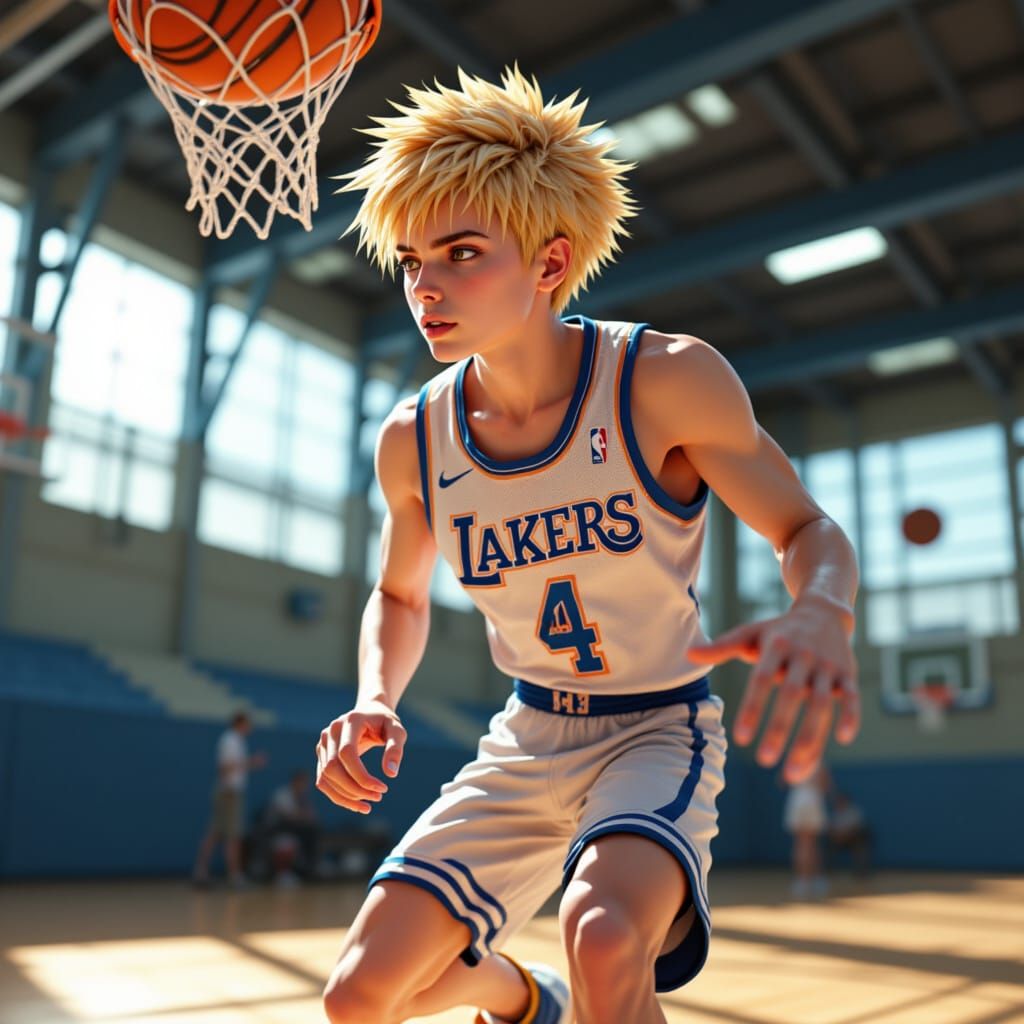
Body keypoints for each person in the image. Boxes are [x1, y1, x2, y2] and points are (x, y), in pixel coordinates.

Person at [315, 67, 860, 1024]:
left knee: (604, 936)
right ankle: (525, 1000)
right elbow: (399, 596)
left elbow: (805, 527)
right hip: (526, 736)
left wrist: (821, 609)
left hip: (655, 727)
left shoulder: (664, 381)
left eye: (461, 253)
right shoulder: (414, 437)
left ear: (551, 263)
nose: (425, 285)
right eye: (410, 260)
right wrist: (374, 698)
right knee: (357, 1000)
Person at [193, 710, 267, 888]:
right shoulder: (231, 740)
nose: (250, 727)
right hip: (229, 793)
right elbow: (225, 768)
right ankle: (233, 876)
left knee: (216, 833)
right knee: (232, 835)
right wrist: (251, 762)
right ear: (241, 723)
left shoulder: (235, 740)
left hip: (228, 792)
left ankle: (202, 871)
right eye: (248, 724)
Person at [264, 769, 321, 885]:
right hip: (276, 830)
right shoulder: (282, 795)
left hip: (295, 830)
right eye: (302, 783)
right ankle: (282, 873)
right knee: (299, 835)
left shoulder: (303, 798)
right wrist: (303, 816)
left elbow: (311, 816)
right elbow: (289, 816)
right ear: (295, 782)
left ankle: (309, 870)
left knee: (313, 832)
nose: (304, 787)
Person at [783, 761, 830, 899]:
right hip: (812, 800)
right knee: (811, 843)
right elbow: (825, 785)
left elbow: (783, 780)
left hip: (797, 800)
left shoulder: (793, 759)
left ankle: (802, 880)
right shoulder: (817, 761)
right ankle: (813, 879)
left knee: (800, 844)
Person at [828, 790, 872, 878]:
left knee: (861, 845)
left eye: (842, 801)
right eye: (838, 801)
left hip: (853, 840)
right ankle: (828, 872)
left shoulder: (854, 811)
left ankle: (861, 873)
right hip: (838, 840)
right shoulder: (834, 814)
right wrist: (836, 836)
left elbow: (857, 828)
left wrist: (845, 835)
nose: (840, 803)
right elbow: (830, 829)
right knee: (828, 846)